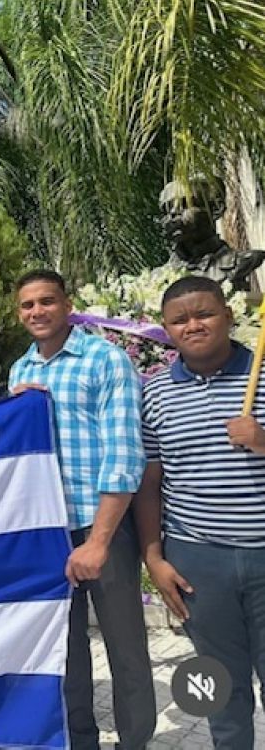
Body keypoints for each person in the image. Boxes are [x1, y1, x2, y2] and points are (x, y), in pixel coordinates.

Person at [9, 270, 155, 750]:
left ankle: (134, 741)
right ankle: (80, 740)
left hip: (101, 527)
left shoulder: (106, 360)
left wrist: (98, 541)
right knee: (64, 649)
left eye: (46, 301)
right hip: (49, 531)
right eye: (28, 305)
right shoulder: (19, 371)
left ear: (67, 304)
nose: (37, 312)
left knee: (125, 645)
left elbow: (124, 455)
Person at [135, 276, 265, 749]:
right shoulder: (155, 395)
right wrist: (154, 557)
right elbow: (151, 484)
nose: (193, 325)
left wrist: (262, 441)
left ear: (229, 316)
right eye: (179, 319)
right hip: (198, 561)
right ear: (167, 330)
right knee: (219, 688)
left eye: (204, 313)